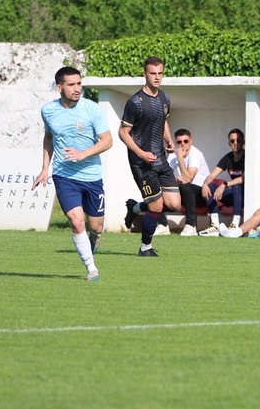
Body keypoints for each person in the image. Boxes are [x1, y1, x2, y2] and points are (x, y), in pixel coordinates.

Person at [34, 66, 113, 281]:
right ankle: (91, 269)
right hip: (64, 176)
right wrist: (44, 169)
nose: (77, 88)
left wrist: (83, 154)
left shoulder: (91, 109)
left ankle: (95, 237)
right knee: (76, 222)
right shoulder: (48, 111)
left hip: (92, 176)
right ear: (59, 87)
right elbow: (48, 137)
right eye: (71, 85)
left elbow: (107, 141)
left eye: (79, 84)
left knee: (96, 226)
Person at [118, 56, 182, 257]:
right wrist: (140, 153)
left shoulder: (165, 98)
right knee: (156, 205)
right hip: (141, 162)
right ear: (144, 74)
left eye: (160, 73)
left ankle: (135, 208)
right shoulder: (135, 102)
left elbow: (163, 121)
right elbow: (123, 132)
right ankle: (145, 247)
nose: (157, 77)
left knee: (174, 204)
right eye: (153, 73)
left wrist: (169, 140)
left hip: (160, 159)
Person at [197, 128, 247, 236]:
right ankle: (215, 225)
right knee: (210, 186)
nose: (235, 143)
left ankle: (235, 224)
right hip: (233, 196)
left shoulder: (247, 157)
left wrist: (224, 184)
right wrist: (205, 184)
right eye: (232, 141)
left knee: (237, 187)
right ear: (229, 143)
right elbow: (212, 175)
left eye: (238, 140)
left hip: (245, 197)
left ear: (243, 142)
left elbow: (244, 178)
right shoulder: (228, 158)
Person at [167, 128, 211, 236]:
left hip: (202, 194)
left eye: (185, 141)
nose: (182, 144)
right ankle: (162, 224)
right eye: (179, 142)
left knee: (186, 187)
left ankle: (191, 225)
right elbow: (166, 178)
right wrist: (175, 183)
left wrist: (180, 158)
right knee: (161, 188)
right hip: (184, 192)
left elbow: (188, 179)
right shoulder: (173, 155)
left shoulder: (196, 154)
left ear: (191, 141)